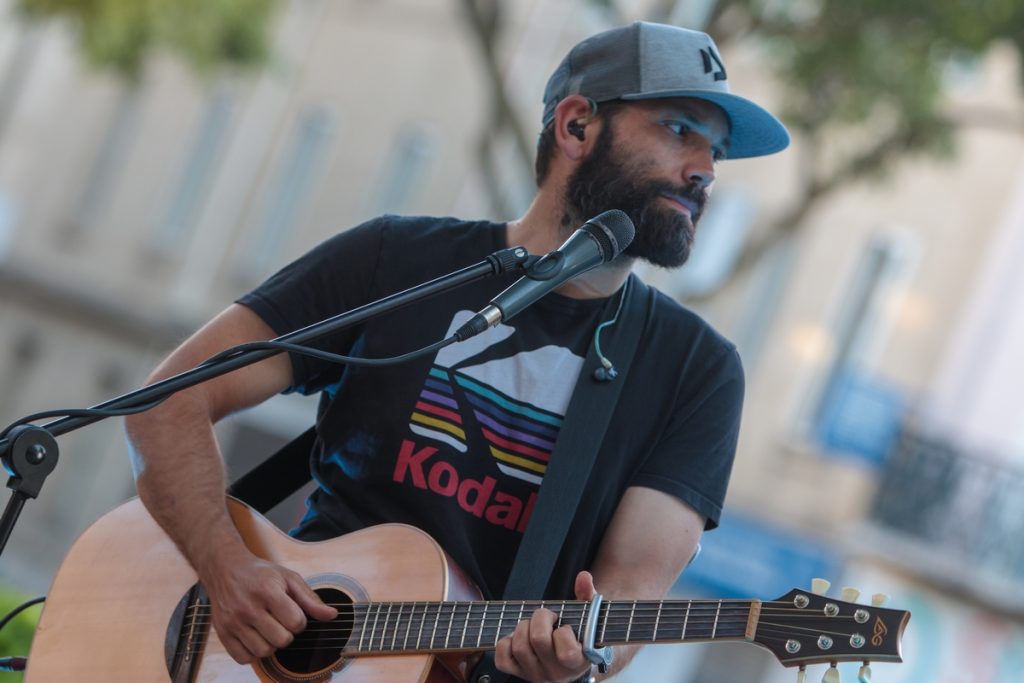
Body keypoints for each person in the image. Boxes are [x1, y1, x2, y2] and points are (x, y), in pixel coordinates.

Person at [125, 21, 789, 683]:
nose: (704, 170)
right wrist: (227, 569)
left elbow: (629, 597)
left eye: (715, 151)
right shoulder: (396, 259)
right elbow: (167, 401)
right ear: (577, 125)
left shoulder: (696, 370)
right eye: (679, 129)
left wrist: (582, 656)